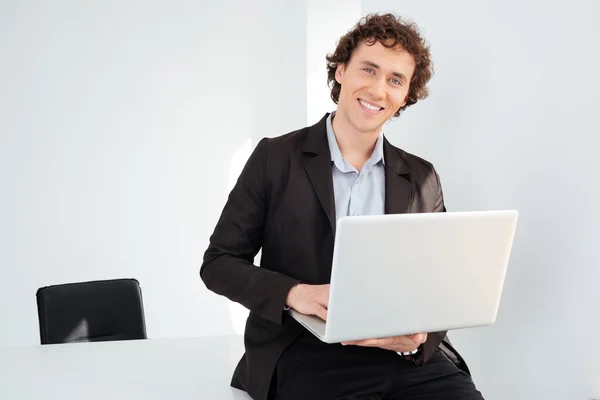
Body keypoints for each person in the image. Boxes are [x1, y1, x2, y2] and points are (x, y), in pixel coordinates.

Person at [200, 13, 484, 400]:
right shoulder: (274, 157)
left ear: (405, 96)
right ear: (340, 71)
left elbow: (439, 285)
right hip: (304, 350)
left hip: (404, 356)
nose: (378, 89)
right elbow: (219, 263)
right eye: (368, 69)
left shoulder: (422, 177)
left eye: (395, 80)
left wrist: (419, 338)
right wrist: (294, 293)